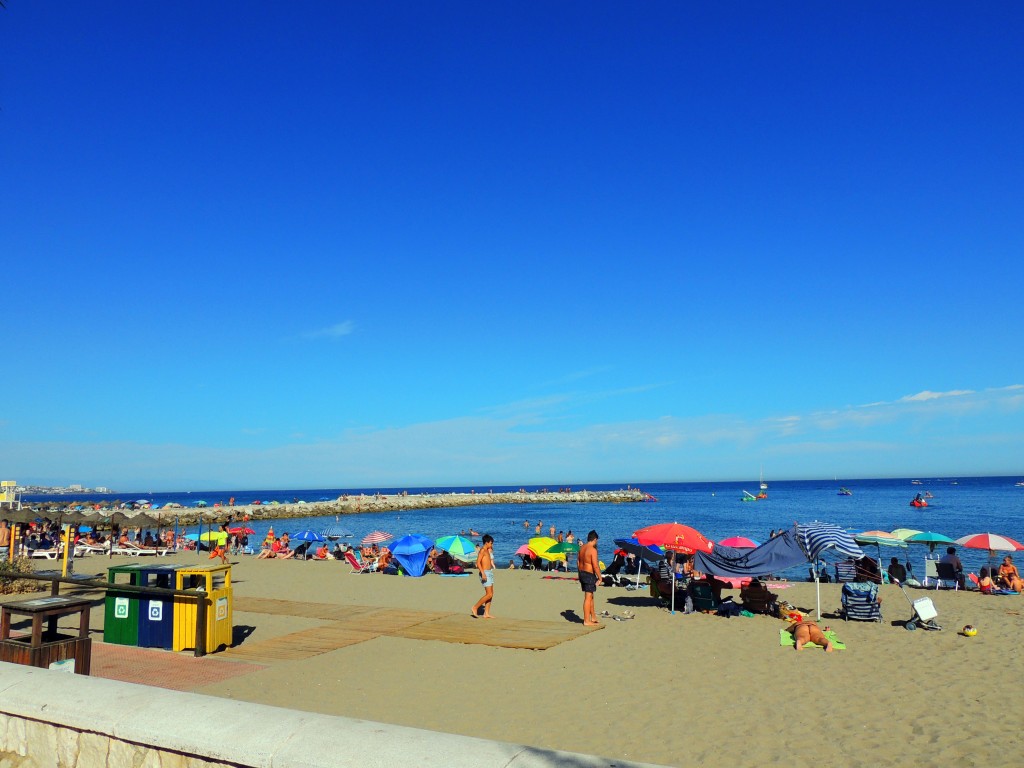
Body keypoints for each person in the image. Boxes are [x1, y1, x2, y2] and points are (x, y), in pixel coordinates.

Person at [578, 530, 600, 626]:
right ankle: (586, 620)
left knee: (591, 596)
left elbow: (578, 562)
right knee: (588, 597)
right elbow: (595, 565)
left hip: (582, 572)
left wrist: (579, 573)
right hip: (589, 574)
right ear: (595, 539)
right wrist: (600, 577)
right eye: (597, 541)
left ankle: (593, 617)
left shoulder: (582, 547)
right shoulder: (592, 550)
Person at [471, 534, 495, 618]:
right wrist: (483, 573)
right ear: (486, 543)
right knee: (489, 594)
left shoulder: (487, 550)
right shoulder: (482, 550)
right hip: (485, 573)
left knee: (491, 593)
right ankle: (475, 607)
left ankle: (486, 613)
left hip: (489, 572)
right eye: (491, 543)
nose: (491, 545)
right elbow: (478, 563)